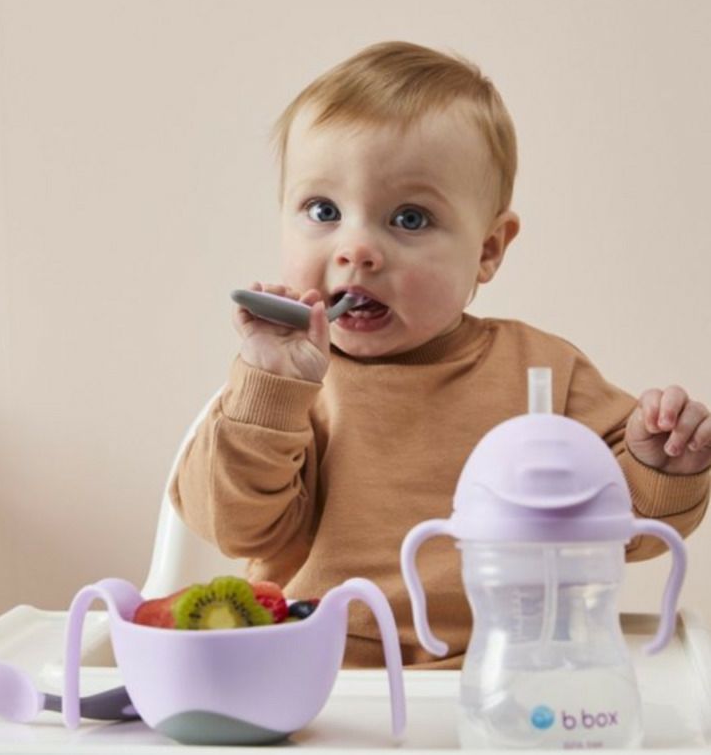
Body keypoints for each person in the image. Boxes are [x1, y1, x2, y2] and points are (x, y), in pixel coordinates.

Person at [170, 41, 710, 668]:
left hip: (509, 674)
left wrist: (660, 465)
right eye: (324, 210)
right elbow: (233, 527)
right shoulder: (283, 388)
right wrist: (268, 392)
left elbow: (625, 532)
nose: (356, 249)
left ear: (488, 249)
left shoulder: (544, 372)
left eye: (409, 218)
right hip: (322, 676)